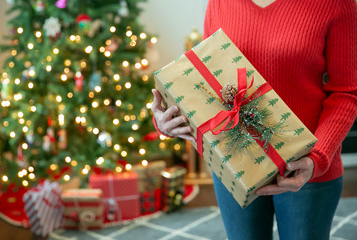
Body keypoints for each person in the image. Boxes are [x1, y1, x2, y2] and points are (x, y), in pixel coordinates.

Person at [151, 0, 357, 239]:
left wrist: (318, 157)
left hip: (305, 166)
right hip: (235, 161)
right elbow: (208, 83)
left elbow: (346, 93)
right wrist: (168, 119)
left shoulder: (336, 4)